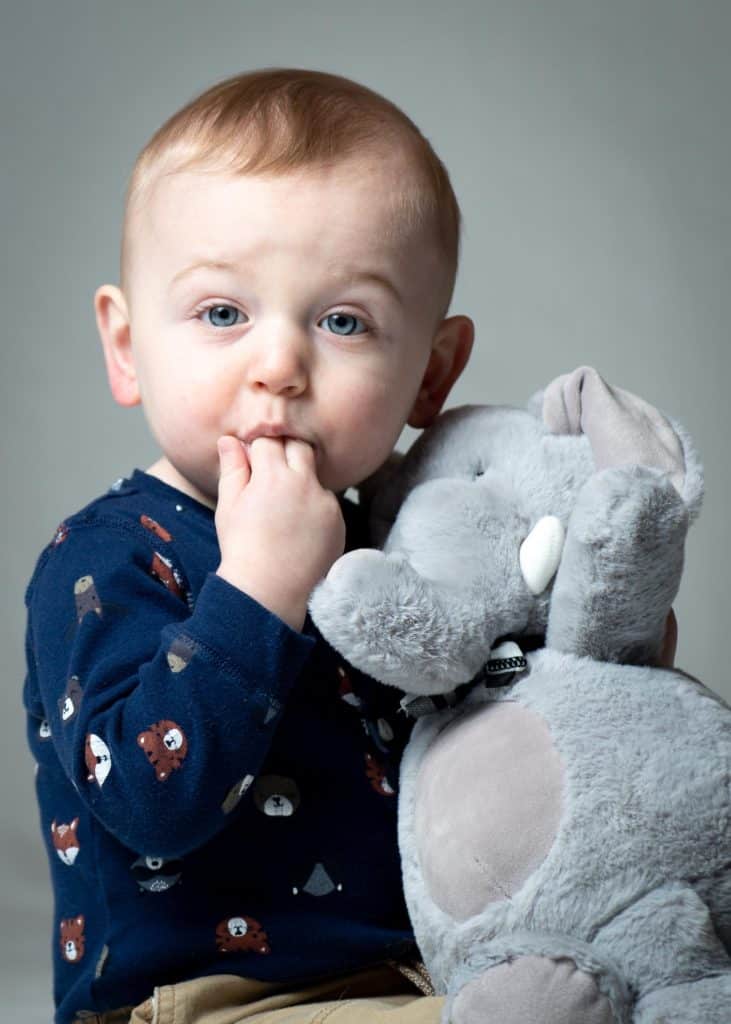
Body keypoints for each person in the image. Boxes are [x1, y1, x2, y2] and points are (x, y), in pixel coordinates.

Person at [23, 68, 475, 1024]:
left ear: (430, 376)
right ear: (127, 345)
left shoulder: (402, 544)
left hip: (418, 977)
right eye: (223, 313)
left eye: (342, 321)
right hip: (205, 999)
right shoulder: (105, 559)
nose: (278, 366)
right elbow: (149, 804)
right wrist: (260, 585)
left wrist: (587, 670)